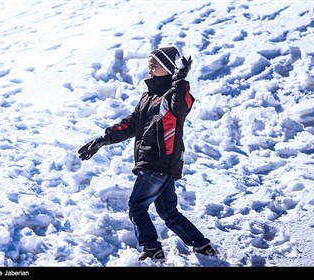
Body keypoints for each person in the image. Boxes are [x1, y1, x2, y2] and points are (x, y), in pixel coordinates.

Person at [78, 47, 216, 261]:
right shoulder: (148, 96)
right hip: (159, 163)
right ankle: (202, 246)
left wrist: (179, 80)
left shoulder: (174, 94)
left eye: (154, 66)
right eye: (149, 66)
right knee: (168, 213)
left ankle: (151, 247)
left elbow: (181, 108)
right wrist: (103, 139)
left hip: (158, 161)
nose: (150, 70)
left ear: (169, 68)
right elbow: (132, 124)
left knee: (136, 206)